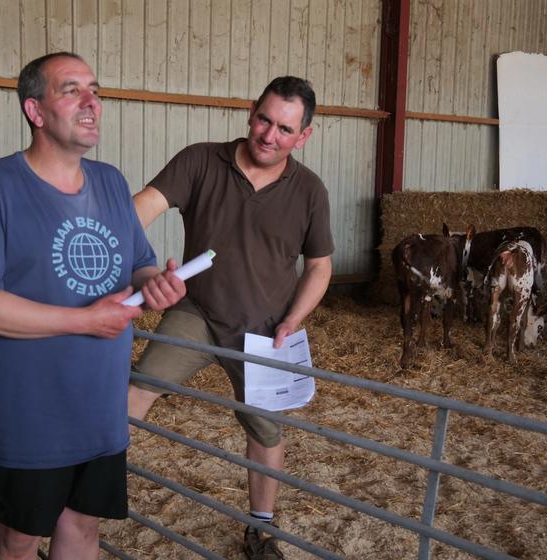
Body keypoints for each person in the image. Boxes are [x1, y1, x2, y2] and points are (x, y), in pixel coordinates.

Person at [0, 52, 186, 560]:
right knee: (19, 539)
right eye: (71, 90)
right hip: (28, 410)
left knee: (83, 527)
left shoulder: (113, 183)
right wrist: (85, 320)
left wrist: (156, 283)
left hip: (98, 406)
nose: (91, 102)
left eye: (95, 90)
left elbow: (137, 265)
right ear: (35, 110)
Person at [128, 76, 334, 559]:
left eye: (285, 128)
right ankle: (80, 499)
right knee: (137, 389)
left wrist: (292, 321)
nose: (269, 135)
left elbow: (320, 266)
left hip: (265, 328)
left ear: (303, 135)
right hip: (197, 311)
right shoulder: (201, 159)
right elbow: (138, 211)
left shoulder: (309, 191)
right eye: (264, 120)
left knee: (265, 430)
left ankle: (259, 530)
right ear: (250, 113)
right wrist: (146, 272)